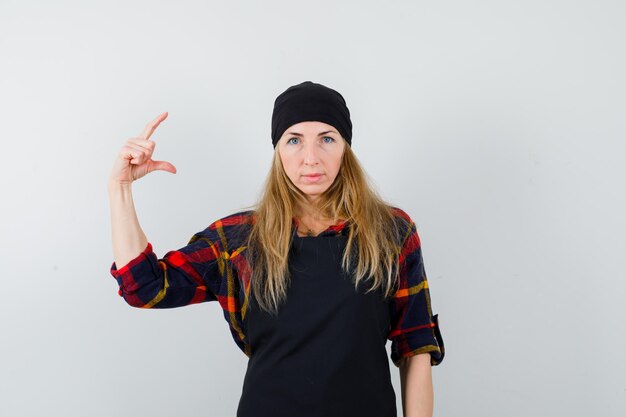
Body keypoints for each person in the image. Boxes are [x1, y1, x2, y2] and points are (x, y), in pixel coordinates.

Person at [108, 81, 445, 417]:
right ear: (278, 149)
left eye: (327, 139)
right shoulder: (239, 239)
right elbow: (144, 287)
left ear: (346, 147)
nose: (310, 158)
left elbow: (415, 347)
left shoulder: (391, 232)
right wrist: (120, 187)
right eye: (294, 140)